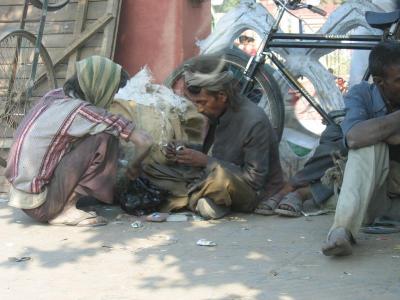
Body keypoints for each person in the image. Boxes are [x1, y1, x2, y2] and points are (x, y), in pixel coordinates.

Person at [5, 56, 153, 227]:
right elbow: (145, 141)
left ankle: (66, 201)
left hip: (23, 198)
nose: (112, 97)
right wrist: (133, 167)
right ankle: (65, 210)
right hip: (42, 206)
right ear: (100, 86)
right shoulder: (84, 111)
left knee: (95, 135)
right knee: (105, 138)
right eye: (113, 91)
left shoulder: (54, 96)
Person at [142, 55, 284, 219]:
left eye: (202, 102)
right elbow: (208, 151)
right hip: (206, 177)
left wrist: (204, 161)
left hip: (246, 190)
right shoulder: (215, 112)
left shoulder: (254, 121)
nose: (199, 109)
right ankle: (201, 200)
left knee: (218, 181)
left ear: (222, 96)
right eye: (195, 103)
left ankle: (192, 198)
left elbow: (254, 180)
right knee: (150, 167)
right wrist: (181, 153)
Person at [322, 41, 400, 256]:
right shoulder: (361, 94)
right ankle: (341, 231)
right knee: (368, 146)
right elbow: (355, 137)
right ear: (379, 82)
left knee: (373, 137)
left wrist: (381, 130)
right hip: (375, 199)